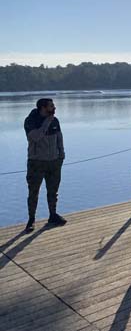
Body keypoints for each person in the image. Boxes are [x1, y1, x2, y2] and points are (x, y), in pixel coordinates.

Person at [23, 98, 66, 233]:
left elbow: (59, 137)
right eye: (51, 106)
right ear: (43, 108)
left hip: (54, 162)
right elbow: (35, 137)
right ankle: (31, 220)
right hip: (36, 162)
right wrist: (47, 122)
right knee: (33, 192)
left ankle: (52, 215)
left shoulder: (55, 121)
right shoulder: (30, 121)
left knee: (53, 191)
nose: (54, 108)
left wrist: (61, 154)